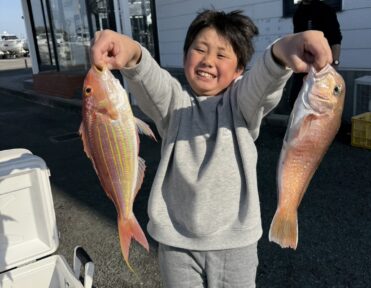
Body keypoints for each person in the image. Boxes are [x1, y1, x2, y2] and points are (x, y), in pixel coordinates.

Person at [91, 9, 332, 288]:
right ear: (185, 56)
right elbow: (147, 75)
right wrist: (130, 51)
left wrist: (282, 51)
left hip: (236, 243)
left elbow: (264, 80)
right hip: (176, 243)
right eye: (199, 49)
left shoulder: (242, 104)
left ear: (239, 69)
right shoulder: (173, 104)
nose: (207, 60)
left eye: (221, 55)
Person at [289, 0, 343, 108]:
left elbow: (335, 39)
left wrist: (335, 65)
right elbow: (298, 39)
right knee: (295, 104)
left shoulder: (326, 10)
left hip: (322, 70)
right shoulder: (298, 12)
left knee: (320, 108)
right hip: (302, 70)